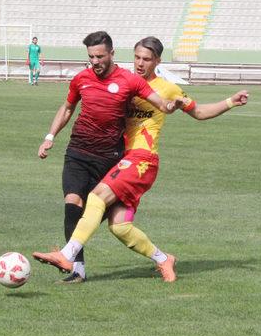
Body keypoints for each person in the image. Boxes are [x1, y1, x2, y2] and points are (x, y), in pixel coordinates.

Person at [33, 36, 249, 283]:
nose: (140, 63)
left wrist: (230, 101)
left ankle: (67, 255)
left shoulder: (167, 88)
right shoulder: (126, 81)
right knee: (120, 227)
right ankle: (163, 259)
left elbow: (198, 112)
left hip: (142, 159)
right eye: (137, 57)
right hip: (120, 159)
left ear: (157, 61)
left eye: (146, 59)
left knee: (96, 197)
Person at [34, 31, 179, 284]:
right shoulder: (81, 79)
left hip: (111, 158)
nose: (95, 61)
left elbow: (161, 104)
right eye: (91, 56)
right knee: (72, 205)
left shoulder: (130, 81)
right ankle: (76, 269)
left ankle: (162, 258)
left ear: (112, 54)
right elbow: (68, 107)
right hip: (78, 153)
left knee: (117, 225)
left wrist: (172, 105)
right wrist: (50, 136)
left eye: (100, 56)